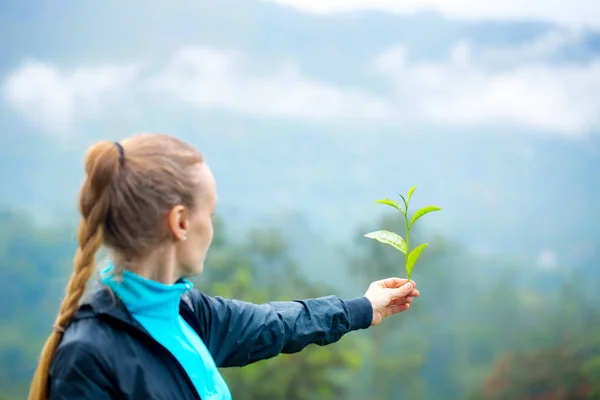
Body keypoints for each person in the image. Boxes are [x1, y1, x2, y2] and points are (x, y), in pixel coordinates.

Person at [28, 133, 420, 400]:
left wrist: (365, 307)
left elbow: (277, 324)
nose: (212, 228)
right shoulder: (89, 356)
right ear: (180, 222)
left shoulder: (187, 314)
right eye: (210, 213)